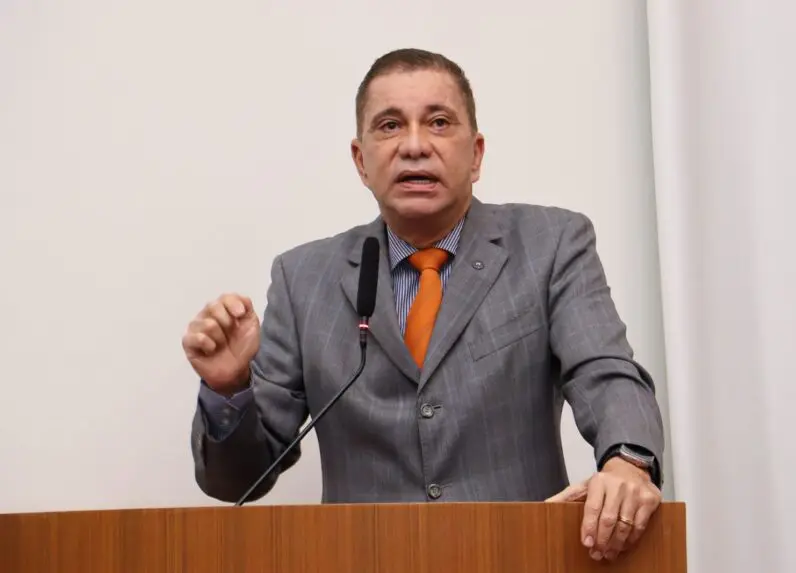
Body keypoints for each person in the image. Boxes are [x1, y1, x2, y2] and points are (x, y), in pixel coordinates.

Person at [183, 48, 664, 563]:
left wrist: (627, 460)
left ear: (476, 154)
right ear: (360, 160)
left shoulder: (551, 245)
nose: (414, 146)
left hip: (517, 557)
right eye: (390, 126)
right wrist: (229, 389)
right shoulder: (303, 279)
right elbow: (238, 481)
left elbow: (604, 372)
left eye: (438, 122)